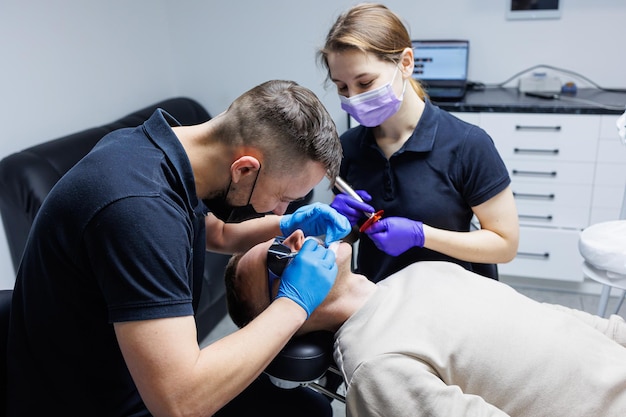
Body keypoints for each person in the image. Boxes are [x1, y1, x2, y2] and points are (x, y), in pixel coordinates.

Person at [7, 80, 352, 417]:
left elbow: (215, 233)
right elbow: (180, 404)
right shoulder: (139, 211)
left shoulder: (151, 150)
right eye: (283, 199)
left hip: (119, 372)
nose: (279, 210)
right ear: (244, 168)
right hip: (88, 403)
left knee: (307, 407)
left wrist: (286, 225)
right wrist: (294, 304)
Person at [225, 230, 626, 417]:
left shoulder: (421, 272)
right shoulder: (376, 367)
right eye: (278, 256)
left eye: (282, 235)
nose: (296, 236)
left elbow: (555, 321)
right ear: (284, 314)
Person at [319, 3, 519, 282]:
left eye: (364, 83)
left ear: (405, 63)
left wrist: (421, 236)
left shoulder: (467, 145)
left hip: (455, 300)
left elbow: (505, 244)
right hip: (381, 300)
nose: (353, 97)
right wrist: (341, 225)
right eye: (342, 87)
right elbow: (349, 238)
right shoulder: (348, 148)